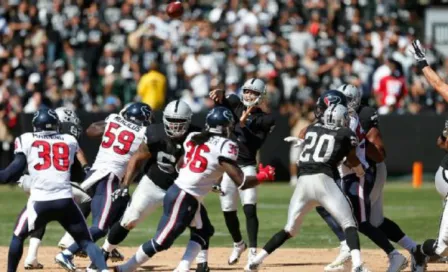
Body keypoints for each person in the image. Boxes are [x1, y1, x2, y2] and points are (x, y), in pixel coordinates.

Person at [114, 106, 275, 272]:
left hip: (182, 191)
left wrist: (201, 177)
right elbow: (241, 182)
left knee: (204, 231)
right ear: (225, 127)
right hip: (184, 196)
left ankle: (182, 268)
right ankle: (125, 268)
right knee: (161, 241)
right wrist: (263, 177)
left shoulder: (194, 137)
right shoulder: (225, 145)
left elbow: (178, 166)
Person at [245, 104, 369, 272]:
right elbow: (352, 160)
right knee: (349, 224)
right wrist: (361, 171)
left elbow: (309, 138)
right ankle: (357, 265)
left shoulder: (313, 128)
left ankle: (256, 261)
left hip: (303, 182)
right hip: (323, 180)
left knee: (289, 229)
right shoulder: (345, 133)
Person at [95, 100, 210, 272]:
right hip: (154, 183)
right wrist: (125, 184)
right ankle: (104, 252)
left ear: (188, 121)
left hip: (182, 189)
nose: (175, 126)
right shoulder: (154, 132)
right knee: (129, 219)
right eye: (172, 121)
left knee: (200, 223)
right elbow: (137, 158)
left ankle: (202, 263)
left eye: (179, 122)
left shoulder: (197, 135)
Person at [322, 85, 424, 272]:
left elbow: (377, 153)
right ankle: (414, 250)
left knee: (358, 219)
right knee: (371, 220)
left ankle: (356, 258)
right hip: (355, 171)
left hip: (367, 170)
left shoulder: (361, 116)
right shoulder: (339, 115)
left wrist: (357, 161)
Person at [0, 108, 108, 272]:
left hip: (39, 202)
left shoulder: (26, 139)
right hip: (65, 201)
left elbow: (9, 174)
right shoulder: (69, 140)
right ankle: (104, 270)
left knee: (18, 236)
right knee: (86, 242)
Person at [55, 102, 151, 271]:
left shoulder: (114, 119)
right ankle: (67, 253)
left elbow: (91, 130)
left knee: (124, 209)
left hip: (95, 173)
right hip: (108, 178)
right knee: (99, 227)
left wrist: (113, 124)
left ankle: (107, 248)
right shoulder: (143, 132)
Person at [209, 78, 276, 265]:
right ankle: (238, 244)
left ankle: (253, 250)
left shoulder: (266, 119)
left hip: (246, 165)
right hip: (229, 166)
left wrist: (243, 125)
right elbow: (222, 99)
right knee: (228, 209)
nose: (249, 95)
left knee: (249, 208)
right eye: (247, 91)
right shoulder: (235, 104)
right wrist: (220, 92)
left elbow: (256, 143)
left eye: (253, 93)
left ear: (261, 96)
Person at [16, 107, 92, 270]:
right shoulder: (64, 136)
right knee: (86, 197)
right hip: (40, 179)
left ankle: (31, 257)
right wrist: (87, 168)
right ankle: (68, 240)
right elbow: (78, 151)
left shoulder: (36, 135)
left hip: (26, 179)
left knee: (39, 211)